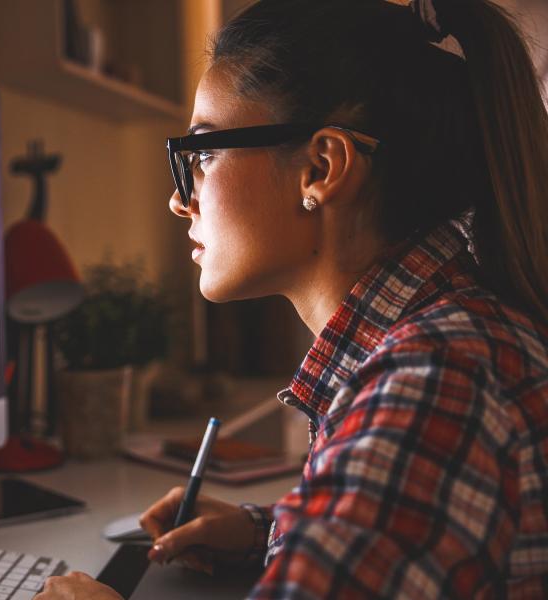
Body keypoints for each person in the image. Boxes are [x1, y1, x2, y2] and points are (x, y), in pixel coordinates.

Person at [36, 0, 548, 597]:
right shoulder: (441, 338)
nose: (180, 201)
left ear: (322, 167)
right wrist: (275, 530)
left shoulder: (435, 378)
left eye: (202, 155)